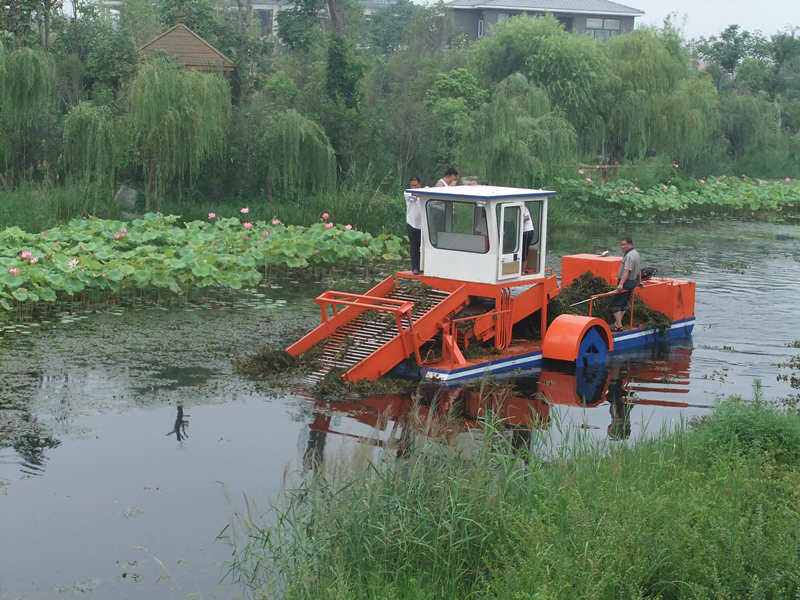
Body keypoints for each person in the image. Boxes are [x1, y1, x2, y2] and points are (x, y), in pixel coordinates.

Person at [611, 237, 641, 331]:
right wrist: (639, 281)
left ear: (630, 244)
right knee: (624, 304)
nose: (622, 247)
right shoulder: (636, 253)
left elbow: (626, 271)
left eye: (624, 244)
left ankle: (619, 327)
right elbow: (639, 270)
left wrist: (621, 284)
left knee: (615, 305)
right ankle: (617, 323)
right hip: (633, 282)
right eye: (621, 244)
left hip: (626, 283)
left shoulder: (629, 256)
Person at [404, 177, 423, 274]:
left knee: (422, 247)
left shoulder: (424, 193)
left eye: (415, 185)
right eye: (412, 185)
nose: (414, 187)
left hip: (422, 225)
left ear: (420, 184)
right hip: (411, 224)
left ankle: (422, 267)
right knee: (414, 247)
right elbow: (414, 197)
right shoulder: (407, 193)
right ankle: (415, 268)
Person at [521, 203, 535, 270]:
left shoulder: (523, 207)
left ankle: (523, 271)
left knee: (524, 250)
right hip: (522, 232)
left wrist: (519, 221)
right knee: (521, 249)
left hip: (527, 231)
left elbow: (527, 217)